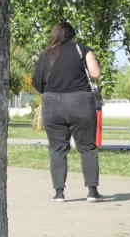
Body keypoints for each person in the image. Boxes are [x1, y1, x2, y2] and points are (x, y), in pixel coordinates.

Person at [32, 22, 103, 202]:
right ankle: (92, 192)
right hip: (80, 103)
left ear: (54, 35)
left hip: (53, 104)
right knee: (87, 147)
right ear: (72, 35)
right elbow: (95, 74)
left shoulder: (46, 54)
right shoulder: (82, 49)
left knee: (57, 149)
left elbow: (36, 82)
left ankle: (59, 193)